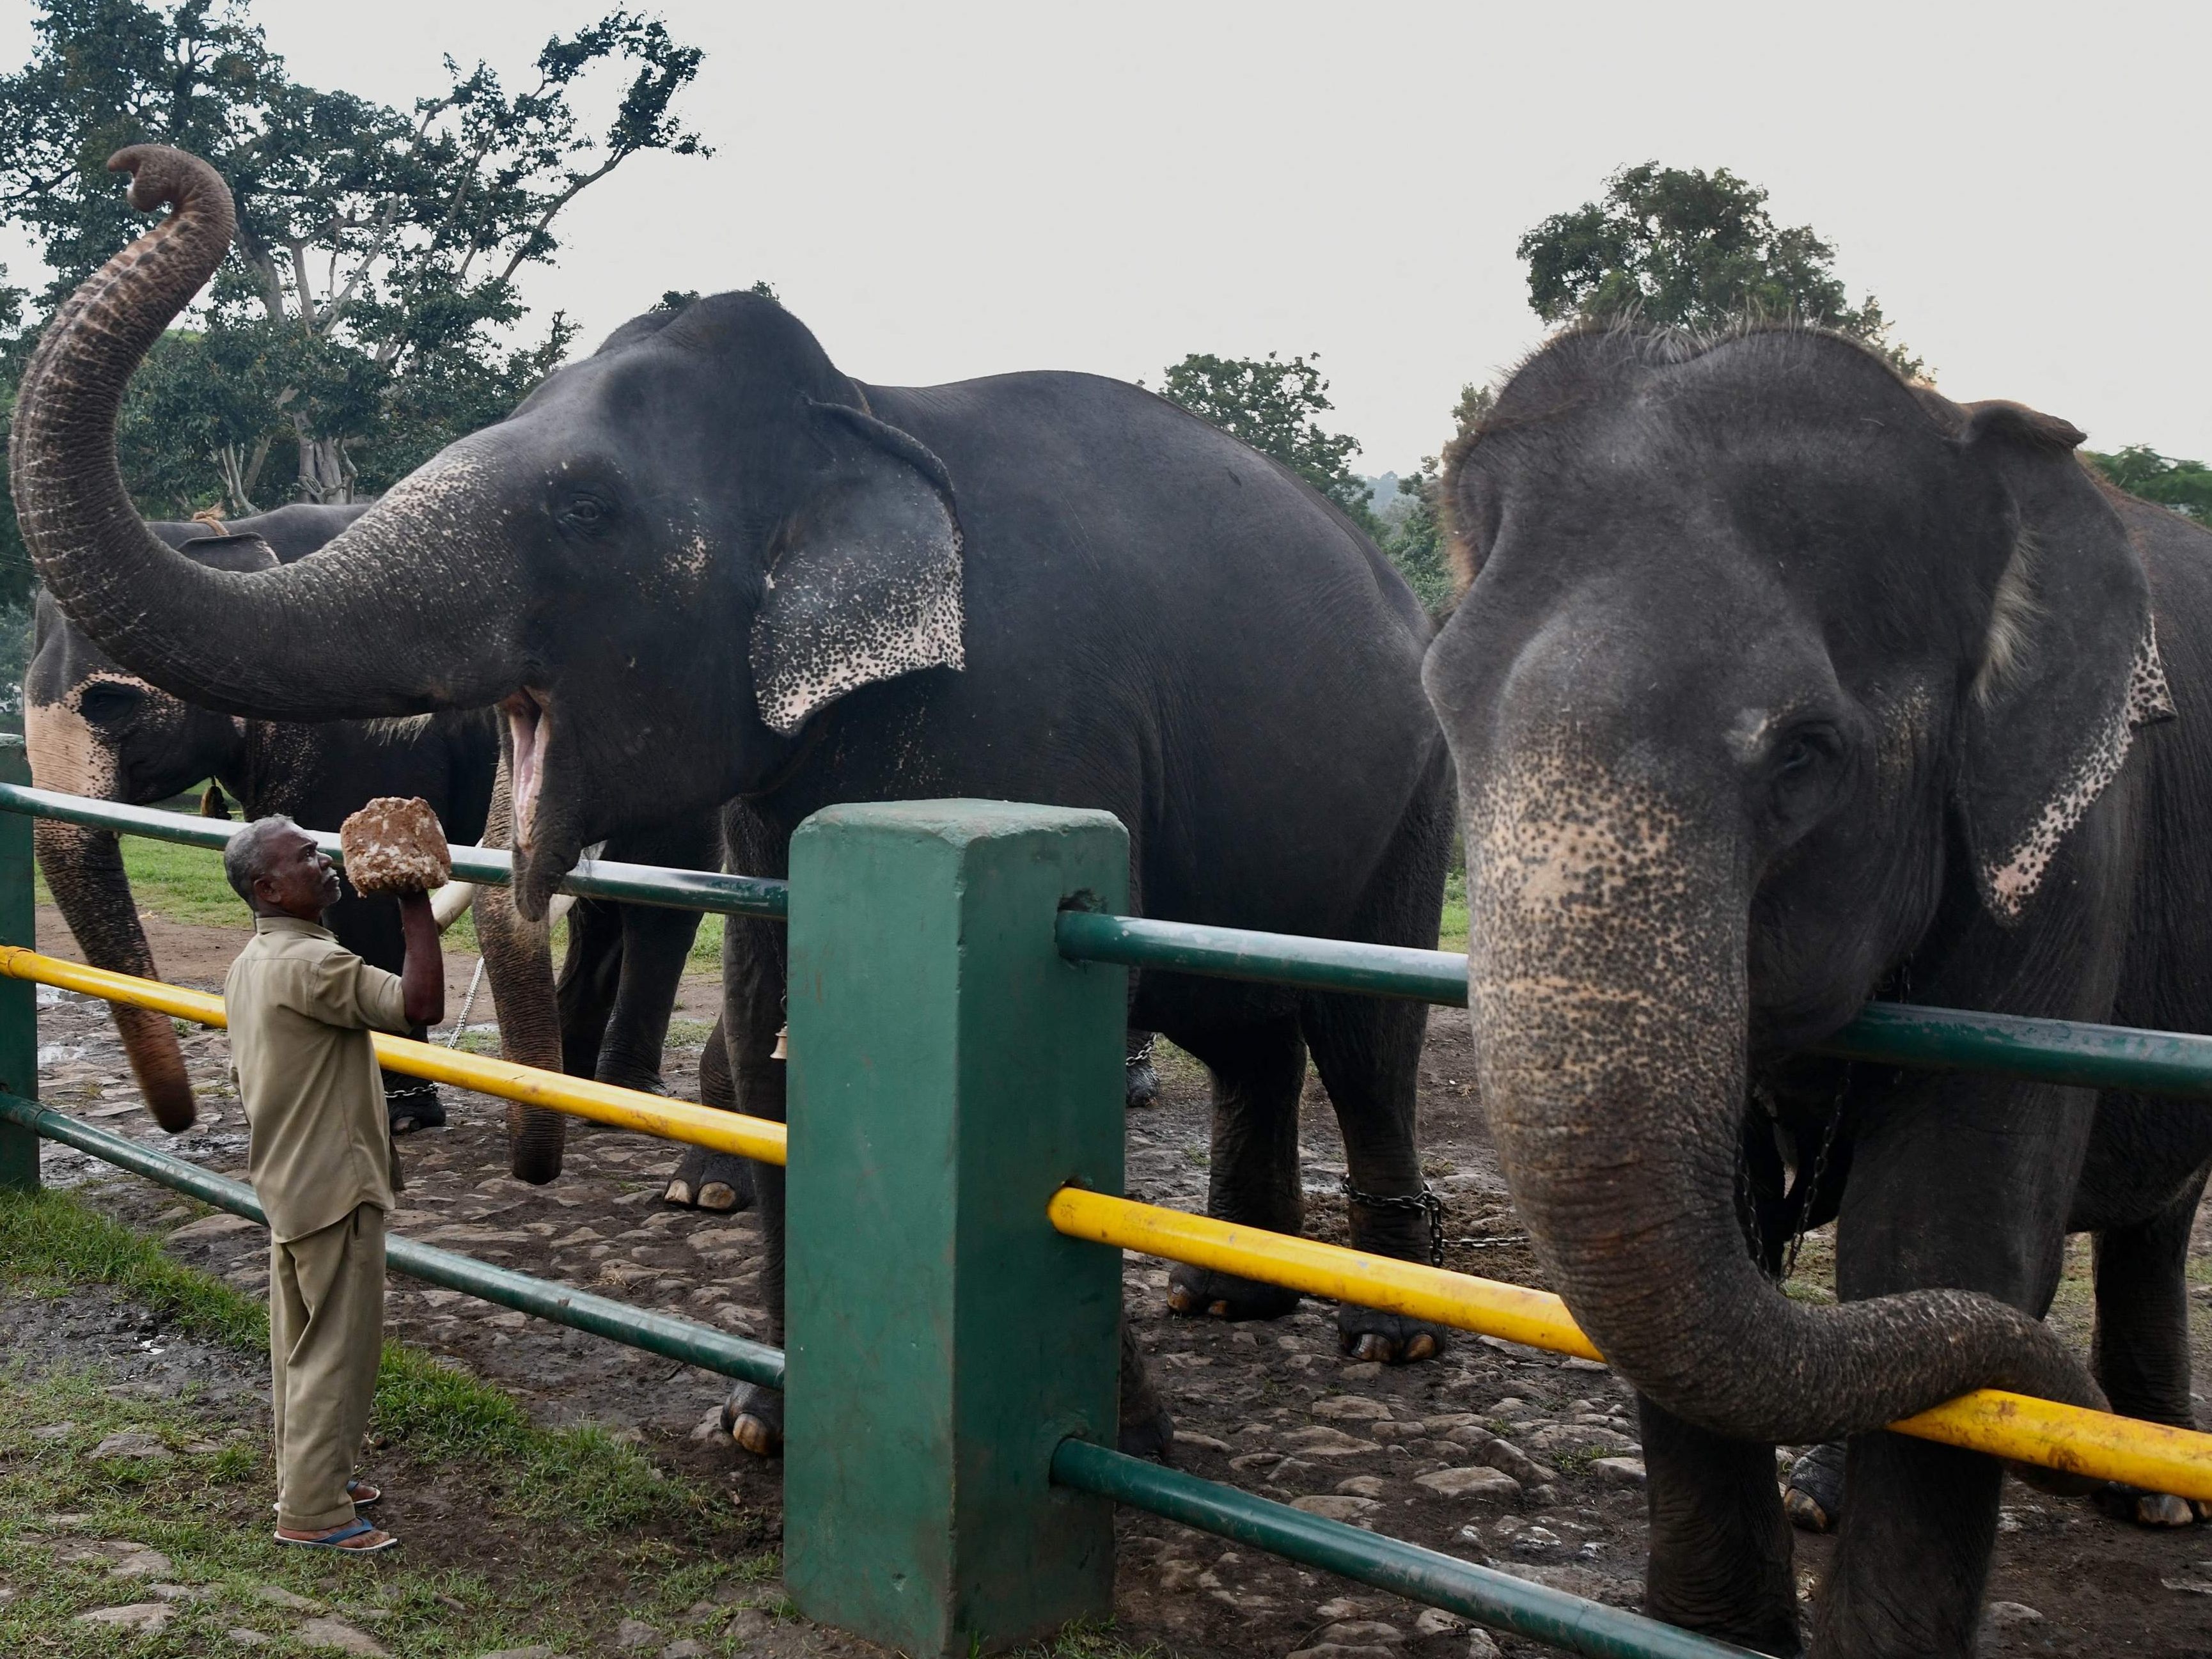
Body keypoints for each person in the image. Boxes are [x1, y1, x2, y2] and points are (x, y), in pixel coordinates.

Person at [222, 815, 444, 1552]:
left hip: (287, 1175)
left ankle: (314, 1473)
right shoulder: (316, 967)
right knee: (337, 1349)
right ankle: (313, 1511)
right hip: (337, 1182)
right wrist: (412, 901)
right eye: (305, 855)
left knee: (301, 1338)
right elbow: (420, 1006)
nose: (324, 861)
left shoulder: (253, 960)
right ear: (270, 887)